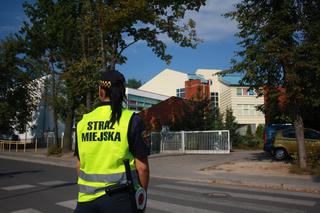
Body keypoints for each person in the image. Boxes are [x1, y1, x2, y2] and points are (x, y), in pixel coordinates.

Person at [74, 70, 150, 213]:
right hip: (121, 200)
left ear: (100, 91)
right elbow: (142, 168)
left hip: (85, 202)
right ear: (122, 91)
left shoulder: (83, 122)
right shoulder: (131, 120)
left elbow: (79, 165)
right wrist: (142, 197)